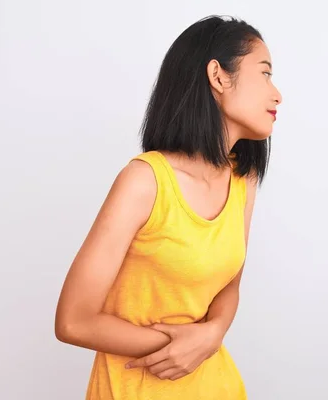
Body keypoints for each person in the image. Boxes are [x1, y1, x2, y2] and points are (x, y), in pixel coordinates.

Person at [54, 14, 282, 400]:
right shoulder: (144, 181)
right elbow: (73, 321)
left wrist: (212, 334)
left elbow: (229, 284)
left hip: (217, 385)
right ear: (218, 76)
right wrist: (178, 345)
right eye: (264, 73)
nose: (277, 94)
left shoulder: (243, 179)